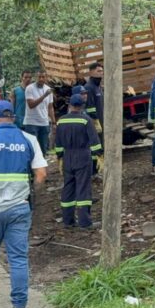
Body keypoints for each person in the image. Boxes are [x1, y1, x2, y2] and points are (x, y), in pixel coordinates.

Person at [0, 100, 48, 308]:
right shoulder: (29, 139)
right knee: (17, 259)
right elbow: (41, 174)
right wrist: (30, 192)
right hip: (18, 209)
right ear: (13, 118)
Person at [54, 94, 102, 229]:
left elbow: (57, 142)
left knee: (68, 187)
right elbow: (95, 141)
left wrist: (59, 157)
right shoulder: (86, 120)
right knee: (83, 188)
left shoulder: (61, 121)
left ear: (69, 105)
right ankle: (84, 222)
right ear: (82, 106)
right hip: (82, 156)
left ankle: (68, 221)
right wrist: (99, 155)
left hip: (67, 157)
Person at [23, 70, 55, 155]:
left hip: (44, 122)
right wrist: (44, 95)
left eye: (43, 77)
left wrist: (54, 122)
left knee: (43, 148)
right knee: (32, 147)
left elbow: (50, 107)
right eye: (39, 77)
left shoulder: (48, 89)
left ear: (46, 78)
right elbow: (31, 105)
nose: (41, 79)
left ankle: (42, 166)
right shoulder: (29, 88)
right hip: (31, 123)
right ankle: (31, 167)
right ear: (36, 78)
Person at [84, 62, 104, 134]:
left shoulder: (98, 87)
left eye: (102, 71)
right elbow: (89, 107)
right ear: (91, 73)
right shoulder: (88, 87)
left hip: (103, 120)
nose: (101, 73)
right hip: (96, 122)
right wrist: (95, 122)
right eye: (98, 71)